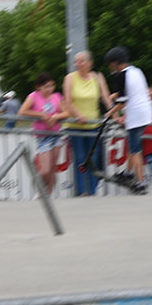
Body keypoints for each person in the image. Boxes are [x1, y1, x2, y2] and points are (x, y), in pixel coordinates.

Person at [63, 51, 113, 196]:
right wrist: (78, 115)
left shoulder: (98, 77)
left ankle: (92, 191)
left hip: (93, 125)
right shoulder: (70, 78)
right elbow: (68, 101)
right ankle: (81, 191)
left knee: (94, 158)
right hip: (75, 126)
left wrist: (115, 114)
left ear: (90, 63)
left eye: (81, 61)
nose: (78, 64)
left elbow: (106, 98)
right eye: (76, 61)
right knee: (80, 158)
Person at [103, 46, 152, 187]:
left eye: (110, 64)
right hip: (146, 112)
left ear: (116, 62)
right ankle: (128, 172)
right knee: (133, 145)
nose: (110, 67)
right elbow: (133, 91)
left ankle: (141, 181)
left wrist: (109, 113)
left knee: (135, 150)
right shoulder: (136, 71)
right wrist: (115, 95)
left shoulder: (121, 76)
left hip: (135, 115)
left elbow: (122, 103)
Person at [19, 72, 69, 195]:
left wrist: (56, 116)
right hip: (42, 136)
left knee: (52, 168)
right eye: (46, 86)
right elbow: (22, 111)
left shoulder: (57, 96)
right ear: (39, 87)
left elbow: (66, 112)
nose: (49, 89)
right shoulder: (33, 96)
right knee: (45, 169)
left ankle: (48, 195)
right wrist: (40, 114)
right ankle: (40, 189)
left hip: (56, 134)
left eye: (51, 86)